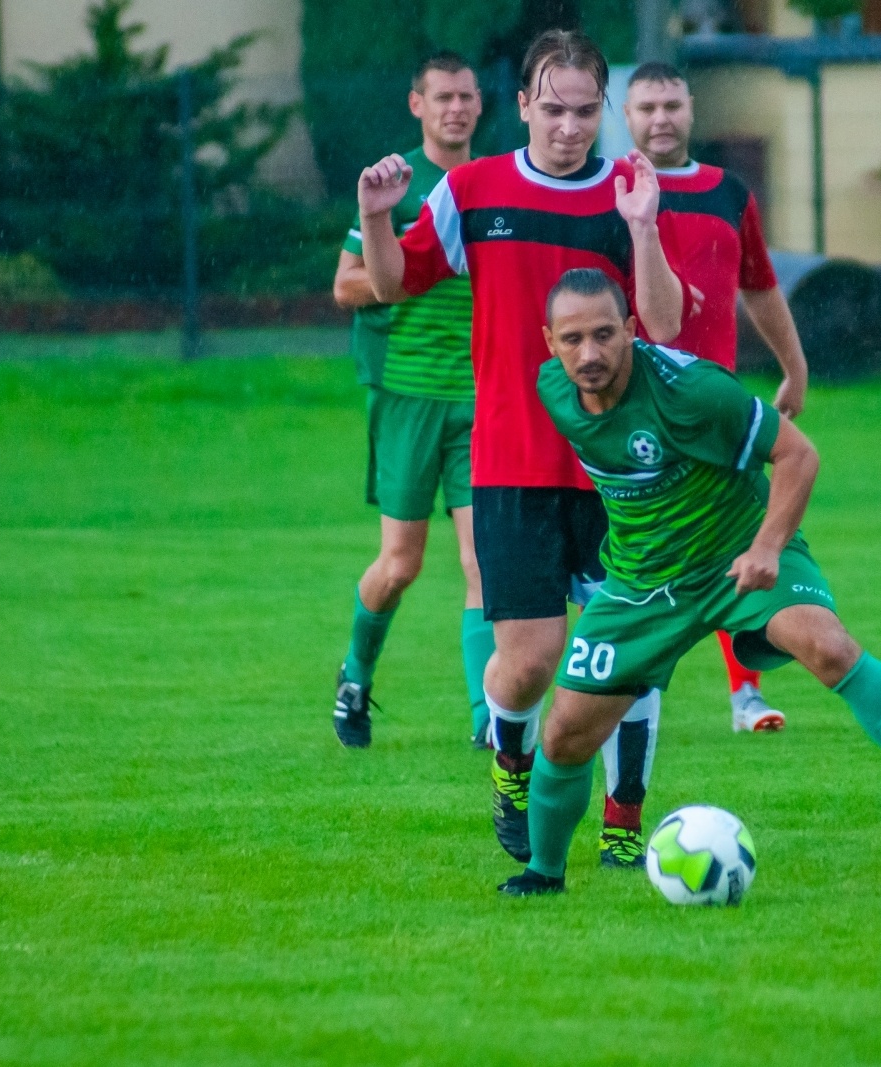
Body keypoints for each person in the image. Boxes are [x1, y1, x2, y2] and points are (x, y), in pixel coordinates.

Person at [497, 268, 881, 896]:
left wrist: (768, 547)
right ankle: (544, 874)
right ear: (548, 341)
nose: (588, 354)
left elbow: (799, 455)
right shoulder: (553, 390)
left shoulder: (691, 390)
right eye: (571, 340)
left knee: (829, 648)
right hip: (644, 582)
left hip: (738, 556)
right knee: (564, 734)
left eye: (603, 335)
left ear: (631, 330)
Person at [356, 30, 686, 864]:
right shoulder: (471, 189)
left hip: (619, 467)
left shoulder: (628, 189)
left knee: (627, 654)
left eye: (584, 111)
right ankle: (511, 763)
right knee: (530, 663)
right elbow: (393, 285)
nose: (569, 128)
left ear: (602, 109)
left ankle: (623, 812)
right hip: (511, 466)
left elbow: (669, 320)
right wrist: (372, 214)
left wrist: (644, 230)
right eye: (554, 109)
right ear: (525, 106)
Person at [579, 61, 815, 866]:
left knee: (736, 550)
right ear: (627, 114)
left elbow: (759, 285)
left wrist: (794, 363)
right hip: (632, 422)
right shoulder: (604, 188)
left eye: (673, 103)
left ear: (690, 109)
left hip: (713, 418)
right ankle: (594, 768)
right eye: (644, 105)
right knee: (644, 592)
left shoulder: (726, 191)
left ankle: (743, 689)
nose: (660, 117)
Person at [331, 52, 492, 750]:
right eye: (443, 97)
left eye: (466, 97)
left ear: (482, 106)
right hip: (406, 396)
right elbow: (345, 286)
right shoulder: (393, 182)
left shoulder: (493, 183)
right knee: (400, 564)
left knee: (485, 562)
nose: (456, 108)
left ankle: (491, 722)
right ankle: (355, 675)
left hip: (483, 399)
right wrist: (408, 270)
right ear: (416, 105)